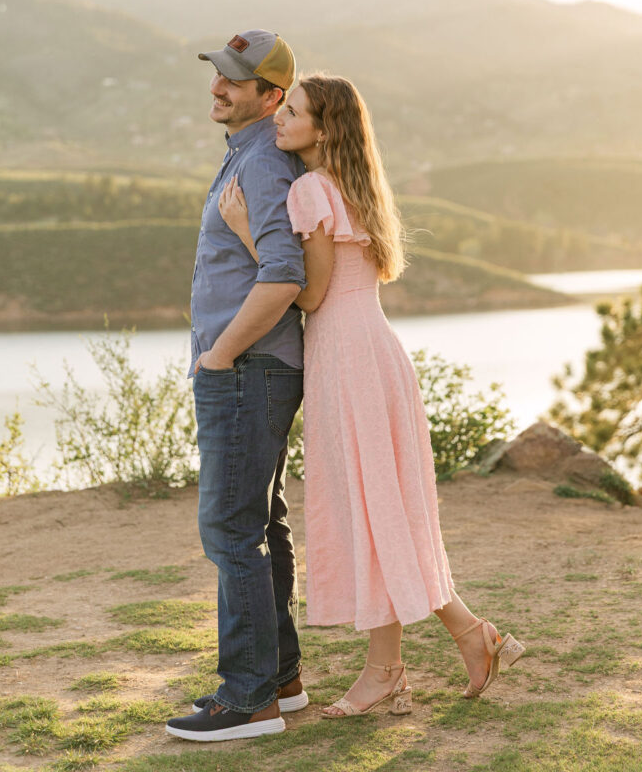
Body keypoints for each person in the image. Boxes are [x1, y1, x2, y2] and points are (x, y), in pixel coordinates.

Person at [218, 72, 526, 719]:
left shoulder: (308, 189)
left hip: (345, 357)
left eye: (293, 111)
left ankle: (393, 667)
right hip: (373, 351)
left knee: (368, 510)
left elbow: (310, 294)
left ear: (323, 129)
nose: (281, 118)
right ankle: (464, 638)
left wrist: (248, 233)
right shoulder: (355, 186)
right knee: (380, 509)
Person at [166, 30, 311, 743]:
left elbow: (284, 275)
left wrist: (218, 355)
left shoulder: (260, 164)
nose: (219, 87)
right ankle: (279, 678)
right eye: (218, 75)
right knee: (260, 521)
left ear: (271, 95)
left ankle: (247, 698)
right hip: (254, 368)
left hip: (247, 368)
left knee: (229, 528)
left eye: (235, 80)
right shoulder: (253, 155)